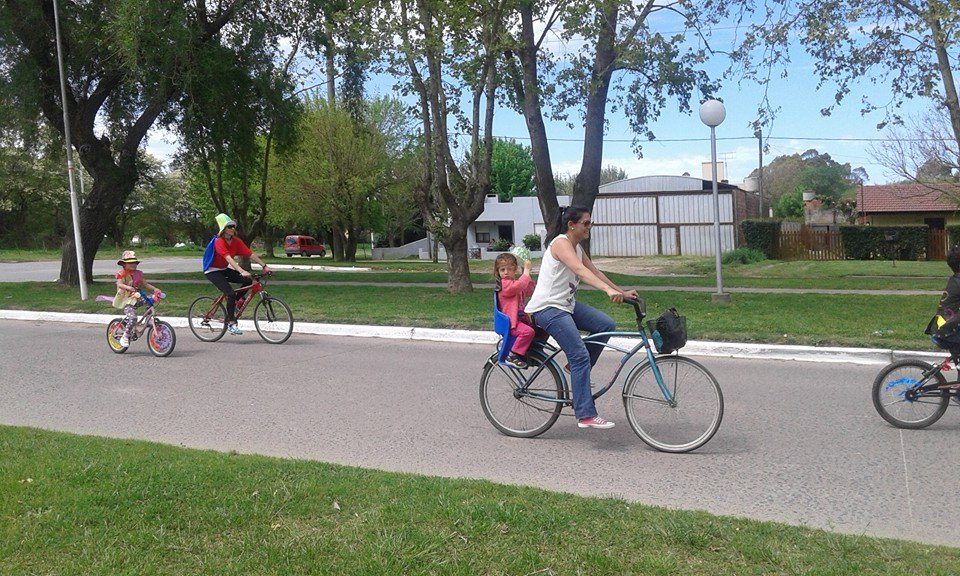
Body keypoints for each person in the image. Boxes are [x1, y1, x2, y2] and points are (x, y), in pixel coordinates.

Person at [526, 206, 638, 430]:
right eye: (586, 223)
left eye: (590, 223)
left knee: (605, 324)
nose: (589, 227)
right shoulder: (560, 243)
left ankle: (575, 367)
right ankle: (585, 414)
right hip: (549, 308)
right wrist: (606, 291)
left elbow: (595, 272)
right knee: (579, 355)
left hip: (566, 306)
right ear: (572, 225)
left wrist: (621, 292)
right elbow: (579, 270)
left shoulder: (577, 247)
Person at [204, 213, 271, 335]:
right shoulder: (219, 241)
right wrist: (241, 270)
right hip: (212, 271)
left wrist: (264, 266)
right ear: (224, 229)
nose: (233, 229)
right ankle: (231, 323)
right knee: (229, 293)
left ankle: (236, 302)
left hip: (223, 269)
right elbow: (228, 258)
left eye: (234, 226)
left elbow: (250, 254)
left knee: (248, 280)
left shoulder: (236, 241)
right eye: (230, 227)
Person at [113, 250, 163, 348]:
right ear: (124, 264)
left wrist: (154, 289)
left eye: (135, 263)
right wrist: (128, 288)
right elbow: (119, 284)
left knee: (149, 302)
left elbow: (145, 284)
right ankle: (125, 336)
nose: (133, 265)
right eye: (130, 263)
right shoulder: (122, 274)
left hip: (136, 296)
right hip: (125, 299)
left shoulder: (138, 273)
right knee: (133, 318)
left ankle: (148, 319)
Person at [494, 252, 536, 369]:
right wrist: (526, 272)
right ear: (498, 272)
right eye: (502, 270)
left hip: (520, 320)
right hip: (511, 324)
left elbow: (528, 290)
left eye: (510, 269)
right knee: (528, 332)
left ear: (515, 270)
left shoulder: (516, 284)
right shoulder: (505, 285)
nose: (506, 272)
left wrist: (525, 273)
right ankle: (513, 355)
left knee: (540, 329)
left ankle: (531, 354)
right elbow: (519, 286)